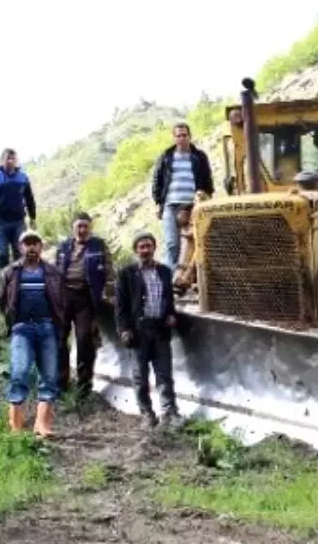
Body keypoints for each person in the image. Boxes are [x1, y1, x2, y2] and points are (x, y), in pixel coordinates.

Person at [0, 230, 66, 438]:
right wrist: (12, 320)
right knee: (19, 373)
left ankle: (41, 425)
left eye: (35, 243)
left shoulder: (52, 272)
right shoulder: (10, 272)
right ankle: (16, 428)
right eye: (27, 243)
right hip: (21, 329)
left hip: (47, 328)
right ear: (20, 247)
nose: (31, 247)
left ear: (41, 247)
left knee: (50, 378)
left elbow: (61, 300)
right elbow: (0, 299)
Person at [114, 231, 181, 430]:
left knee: (164, 374)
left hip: (160, 330)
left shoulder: (165, 272)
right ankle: (146, 414)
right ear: (136, 250)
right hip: (138, 331)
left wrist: (171, 315)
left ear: (154, 248)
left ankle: (169, 413)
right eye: (141, 247)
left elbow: (168, 299)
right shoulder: (126, 274)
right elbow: (120, 306)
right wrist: (124, 329)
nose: (145, 250)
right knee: (140, 376)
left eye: (148, 246)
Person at [53, 212, 113, 398]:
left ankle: (83, 387)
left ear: (90, 228)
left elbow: (109, 272)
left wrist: (111, 294)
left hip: (86, 298)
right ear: (73, 228)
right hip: (64, 297)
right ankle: (61, 383)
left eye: (85, 226)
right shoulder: (63, 247)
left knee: (85, 340)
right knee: (59, 339)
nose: (82, 230)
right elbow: (56, 270)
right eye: (79, 226)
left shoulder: (98, 245)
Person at [151, 123, 214, 269]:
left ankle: (193, 278)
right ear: (174, 138)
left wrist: (206, 197)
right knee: (172, 244)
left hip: (194, 206)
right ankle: (170, 282)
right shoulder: (166, 156)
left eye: (184, 135)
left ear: (190, 136)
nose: (181, 138)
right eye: (178, 135)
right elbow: (157, 179)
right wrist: (158, 201)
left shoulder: (199, 156)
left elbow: (207, 179)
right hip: (170, 205)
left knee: (196, 242)